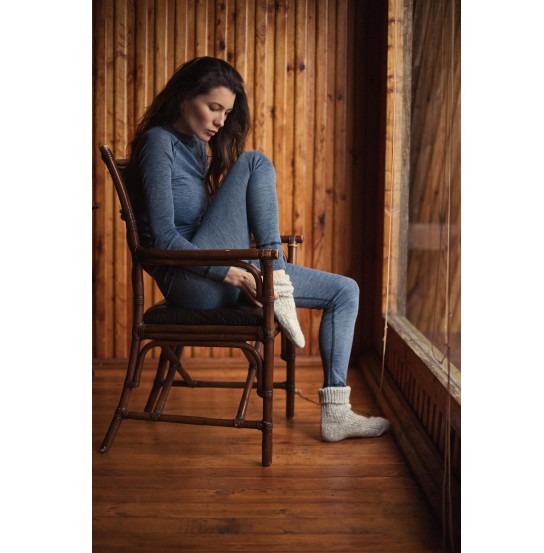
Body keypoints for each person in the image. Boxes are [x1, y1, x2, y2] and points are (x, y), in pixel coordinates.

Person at [126, 56, 390, 442]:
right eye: (213, 107)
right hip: (191, 283)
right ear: (185, 97)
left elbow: (212, 226)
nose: (221, 121)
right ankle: (276, 279)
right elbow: (164, 237)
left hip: (222, 269)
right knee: (254, 162)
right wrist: (230, 272)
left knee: (345, 291)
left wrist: (238, 264)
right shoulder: (157, 144)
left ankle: (336, 412)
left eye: (226, 112)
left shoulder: (198, 147)